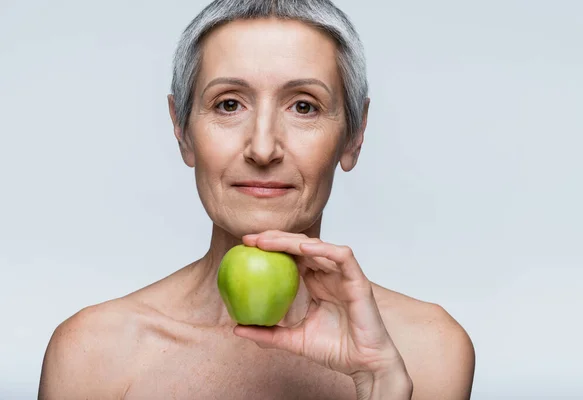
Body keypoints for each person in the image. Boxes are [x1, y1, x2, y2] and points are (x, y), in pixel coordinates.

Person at [38, 0, 475, 399]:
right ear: (182, 131)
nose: (263, 148)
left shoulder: (428, 351)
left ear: (354, 138)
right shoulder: (91, 355)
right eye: (229, 104)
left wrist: (381, 385)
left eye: (304, 107)